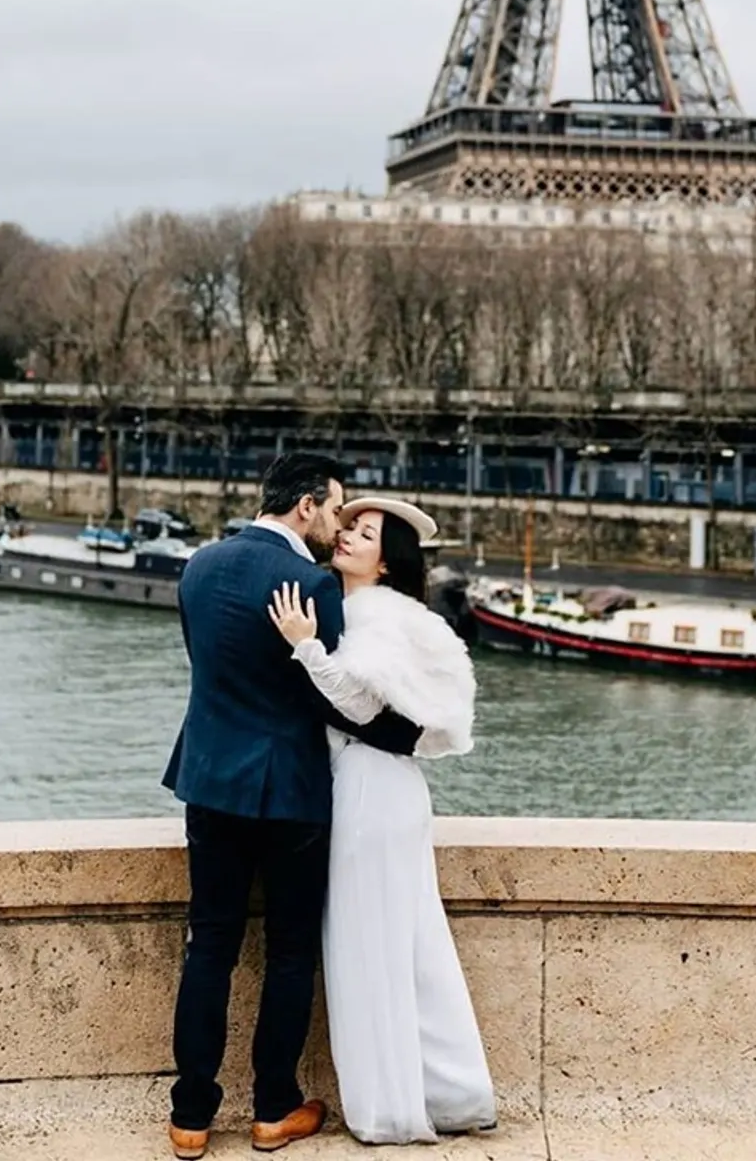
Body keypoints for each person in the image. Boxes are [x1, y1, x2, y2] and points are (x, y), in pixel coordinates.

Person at [162, 454, 424, 1160]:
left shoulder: (200, 566)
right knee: (287, 953)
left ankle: (190, 1117)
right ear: (306, 505)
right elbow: (327, 694)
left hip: (208, 780)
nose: (338, 525)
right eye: (336, 510)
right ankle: (273, 1107)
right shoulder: (309, 584)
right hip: (290, 791)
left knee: (208, 944)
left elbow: (207, 666)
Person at [268, 495, 497, 1146]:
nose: (347, 539)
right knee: (413, 947)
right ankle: (453, 1093)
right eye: (349, 529)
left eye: (364, 535)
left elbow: (361, 705)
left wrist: (305, 647)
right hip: (393, 789)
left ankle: (386, 1110)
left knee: (367, 950)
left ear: (387, 562)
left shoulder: (370, 613)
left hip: (369, 788)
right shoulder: (397, 612)